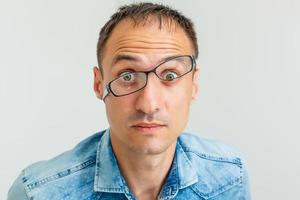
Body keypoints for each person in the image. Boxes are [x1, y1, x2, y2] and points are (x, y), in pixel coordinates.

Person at [8, 2, 251, 200]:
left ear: (194, 85)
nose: (149, 105)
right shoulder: (38, 193)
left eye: (170, 75)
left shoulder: (229, 174)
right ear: (98, 84)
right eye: (127, 76)